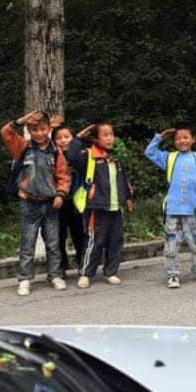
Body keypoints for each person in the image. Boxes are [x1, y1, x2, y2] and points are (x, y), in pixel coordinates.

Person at [1, 110, 70, 296]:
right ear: (29, 130)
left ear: (48, 129)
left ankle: (55, 275)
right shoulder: (23, 147)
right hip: (29, 203)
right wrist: (20, 120)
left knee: (53, 242)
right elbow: (6, 133)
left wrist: (60, 194)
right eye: (34, 130)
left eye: (42, 129)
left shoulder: (55, 151)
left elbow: (63, 176)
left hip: (50, 204)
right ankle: (24, 278)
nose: (39, 133)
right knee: (28, 243)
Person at [144, 123, 196, 289]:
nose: (182, 141)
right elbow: (149, 152)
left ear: (193, 139)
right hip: (173, 209)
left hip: (193, 209)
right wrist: (160, 137)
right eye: (178, 138)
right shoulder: (170, 158)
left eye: (186, 137)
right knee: (171, 243)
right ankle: (172, 274)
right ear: (174, 141)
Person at [73, 121, 134, 289]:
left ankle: (111, 271)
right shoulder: (89, 156)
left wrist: (128, 198)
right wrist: (78, 138)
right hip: (97, 206)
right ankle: (86, 273)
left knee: (116, 241)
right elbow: (71, 156)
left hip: (116, 207)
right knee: (95, 241)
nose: (109, 138)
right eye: (105, 135)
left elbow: (123, 180)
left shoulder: (116, 157)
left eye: (111, 134)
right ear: (95, 138)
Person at [51, 124, 93, 278]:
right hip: (57, 202)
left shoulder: (80, 154)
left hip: (76, 201)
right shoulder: (51, 156)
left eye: (67, 137)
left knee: (79, 234)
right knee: (58, 236)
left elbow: (74, 159)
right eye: (59, 138)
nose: (63, 140)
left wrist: (76, 141)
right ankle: (61, 266)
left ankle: (83, 263)